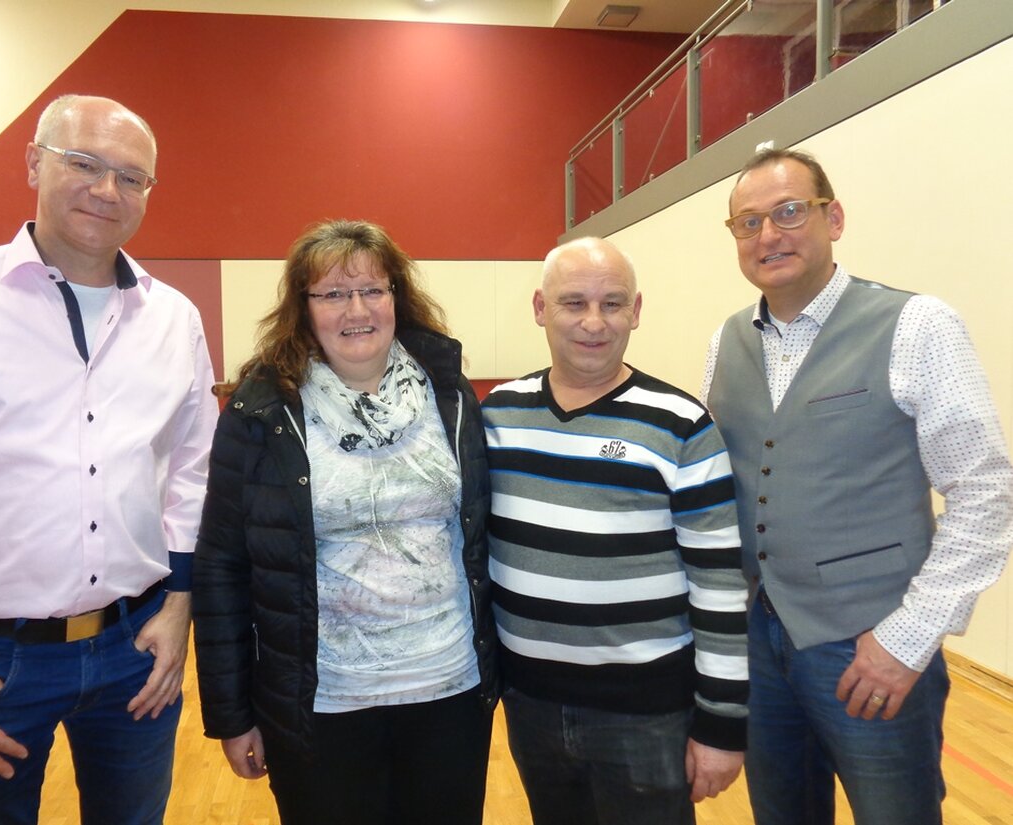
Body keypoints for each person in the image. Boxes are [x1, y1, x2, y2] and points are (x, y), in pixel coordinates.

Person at [0, 94, 218, 825]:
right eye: (83, 163)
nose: (106, 190)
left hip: (136, 650)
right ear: (33, 164)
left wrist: (180, 609)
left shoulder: (174, 317)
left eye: (131, 176)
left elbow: (193, 471)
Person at [702, 147, 1013, 825]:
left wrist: (910, 636)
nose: (769, 235)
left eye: (789, 212)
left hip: (872, 645)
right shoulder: (723, 342)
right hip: (760, 641)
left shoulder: (918, 325)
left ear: (833, 217)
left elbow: (986, 492)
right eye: (748, 223)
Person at [191, 218, 499, 825]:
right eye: (332, 294)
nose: (355, 309)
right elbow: (221, 564)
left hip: (449, 690)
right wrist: (231, 714)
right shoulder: (260, 411)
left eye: (372, 290)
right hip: (321, 703)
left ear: (396, 298)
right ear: (302, 308)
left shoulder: (451, 394)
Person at [481, 236, 748, 825]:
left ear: (636, 311)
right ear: (539, 308)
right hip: (530, 703)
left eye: (613, 303)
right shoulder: (498, 414)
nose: (593, 323)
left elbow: (720, 584)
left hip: (647, 713)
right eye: (573, 303)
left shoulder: (683, 425)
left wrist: (723, 724)